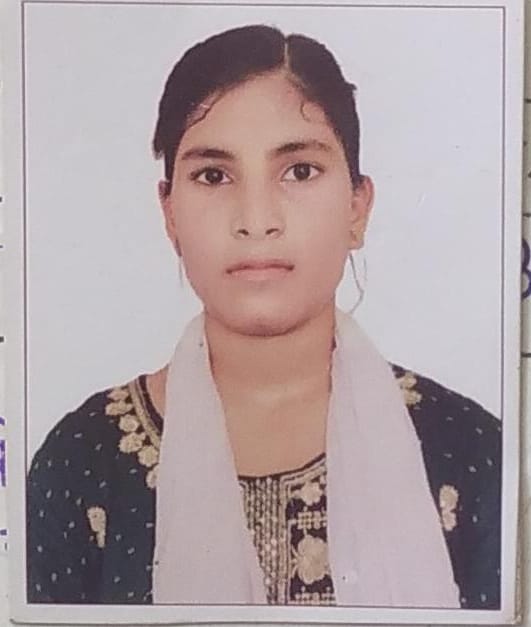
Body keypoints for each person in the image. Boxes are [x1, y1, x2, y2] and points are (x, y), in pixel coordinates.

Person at [26, 24, 501, 609]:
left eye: (299, 171)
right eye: (213, 176)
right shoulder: (82, 465)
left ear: (357, 207)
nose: (256, 219)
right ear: (169, 214)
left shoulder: (469, 452)